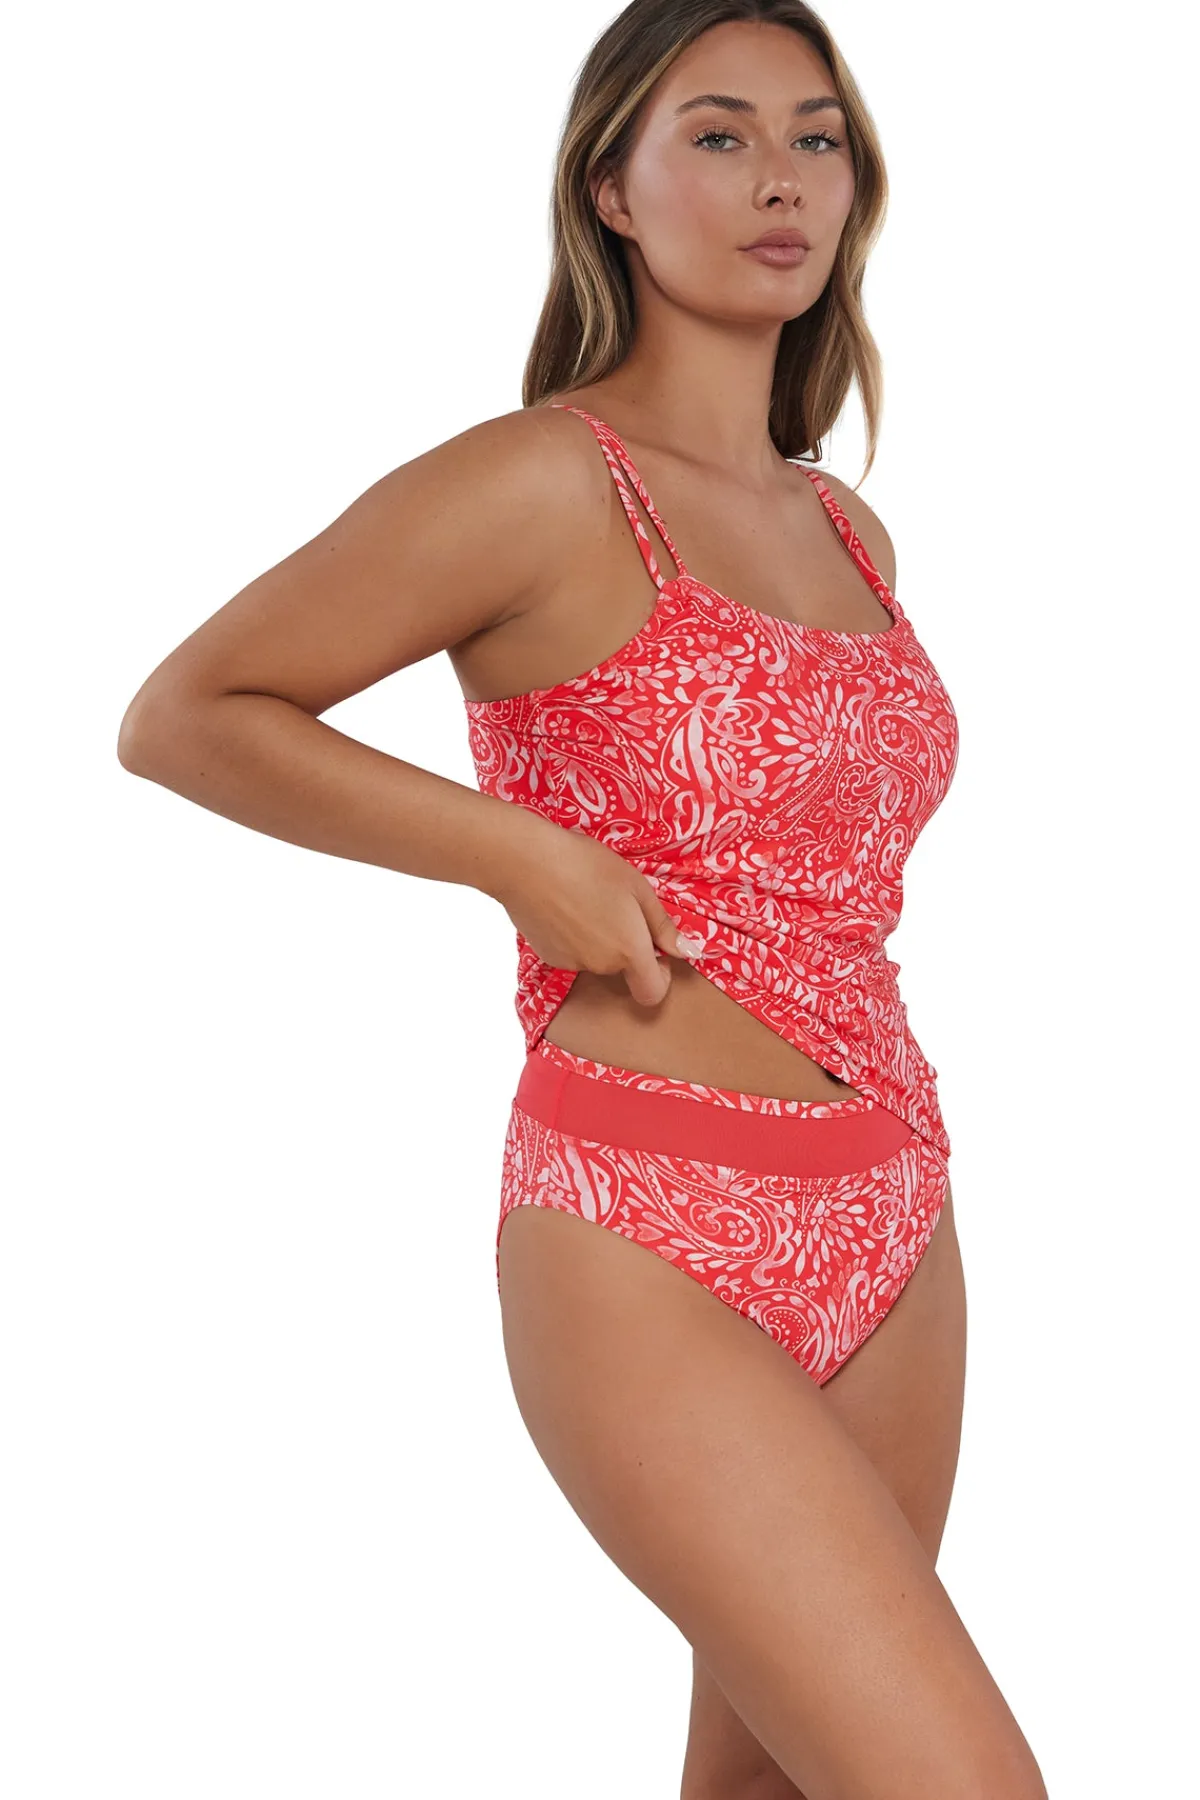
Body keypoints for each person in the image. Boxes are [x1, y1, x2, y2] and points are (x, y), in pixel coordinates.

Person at [117, 2, 1048, 1795]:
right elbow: (189, 714)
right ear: (610, 188)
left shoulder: (850, 533)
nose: (781, 179)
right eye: (718, 135)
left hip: (896, 1213)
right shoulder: (543, 479)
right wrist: (521, 854)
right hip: (645, 1221)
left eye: (818, 136)